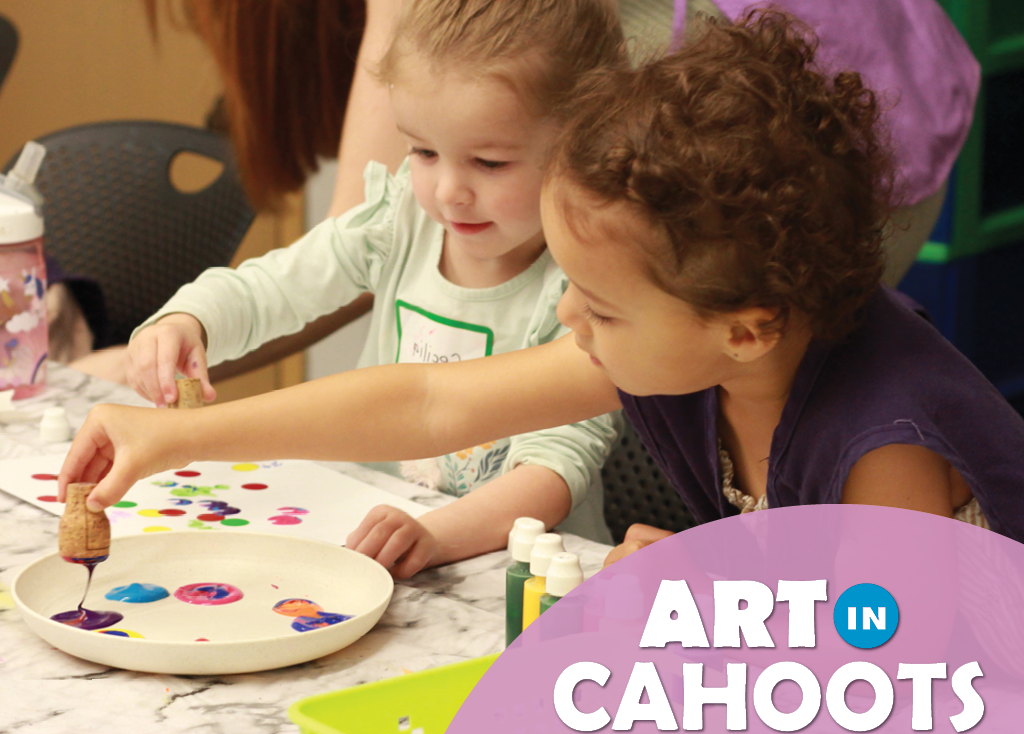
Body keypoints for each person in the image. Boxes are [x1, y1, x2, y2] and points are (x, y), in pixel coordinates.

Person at [59, 11, 1024, 573]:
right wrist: (174, 436)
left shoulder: (885, 452)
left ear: (746, 330)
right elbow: (432, 401)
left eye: (598, 307)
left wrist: (711, 586)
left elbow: (884, 677)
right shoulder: (700, 342)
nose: (567, 314)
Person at [122, 0, 630, 570]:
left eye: (488, 162)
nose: (448, 192)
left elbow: (553, 469)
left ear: (586, 141)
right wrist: (190, 320)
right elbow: (276, 287)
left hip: (518, 577)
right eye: (424, 152)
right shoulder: (397, 222)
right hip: (387, 542)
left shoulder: (586, 290)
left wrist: (435, 535)